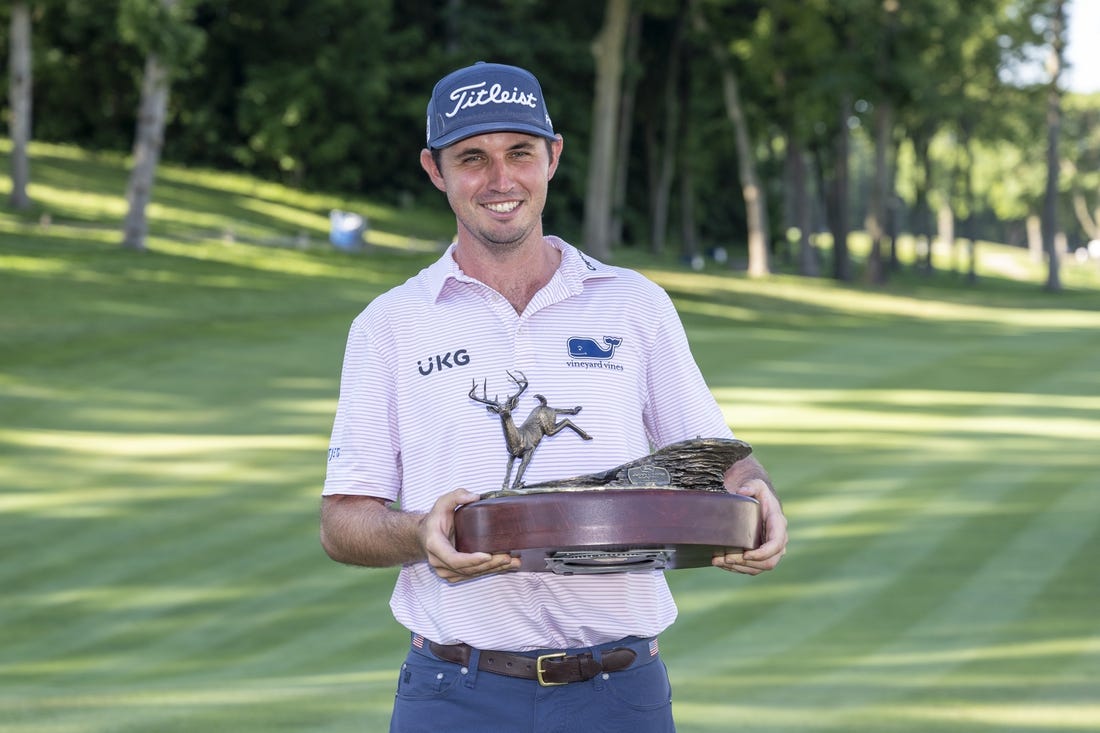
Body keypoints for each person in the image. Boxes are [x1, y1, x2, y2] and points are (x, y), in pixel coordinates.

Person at [320, 61, 788, 733]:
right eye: (472, 158)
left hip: (618, 692)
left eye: (520, 153)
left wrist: (758, 494)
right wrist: (421, 533)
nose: (500, 179)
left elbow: (721, 461)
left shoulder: (635, 304)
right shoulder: (389, 324)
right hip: (453, 692)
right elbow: (343, 520)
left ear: (554, 156)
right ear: (434, 169)